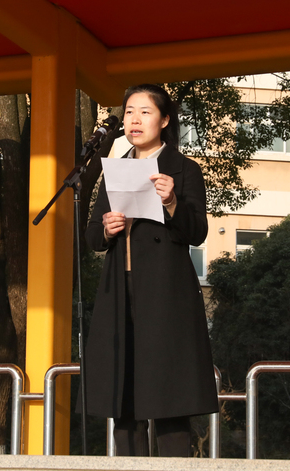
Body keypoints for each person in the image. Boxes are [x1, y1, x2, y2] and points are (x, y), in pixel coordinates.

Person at [84, 84, 218, 457]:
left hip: (165, 294)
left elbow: (197, 232)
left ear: (165, 120)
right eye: (129, 112)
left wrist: (172, 202)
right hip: (119, 292)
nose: (135, 120)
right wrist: (107, 229)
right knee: (123, 399)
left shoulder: (184, 169)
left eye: (145, 112)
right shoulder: (115, 169)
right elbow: (92, 236)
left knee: (169, 398)